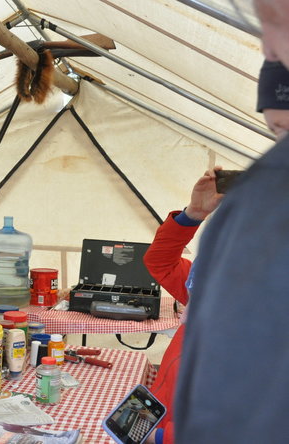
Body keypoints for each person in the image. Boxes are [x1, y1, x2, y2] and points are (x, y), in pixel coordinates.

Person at [174, 1, 289, 442]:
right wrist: (192, 216)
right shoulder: (203, 271)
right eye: (275, 134)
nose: (266, 43)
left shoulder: (260, 214)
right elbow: (162, 266)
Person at [142, 168, 223, 444]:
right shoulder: (210, 291)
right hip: (163, 416)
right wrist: (193, 215)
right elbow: (160, 262)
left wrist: (163, 437)